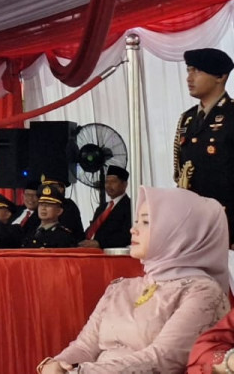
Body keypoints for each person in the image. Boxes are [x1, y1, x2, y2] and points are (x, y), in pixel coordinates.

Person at [40, 187, 229, 374]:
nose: (133, 230)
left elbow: (162, 359)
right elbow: (85, 346)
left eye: (146, 222)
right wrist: (56, 364)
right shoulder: (121, 287)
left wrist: (79, 372)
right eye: (137, 221)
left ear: (179, 232)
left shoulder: (203, 292)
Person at [174, 48, 234, 245]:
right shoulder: (187, 119)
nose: (189, 78)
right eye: (188, 70)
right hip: (194, 225)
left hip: (226, 223)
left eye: (197, 71)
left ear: (220, 76)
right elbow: (180, 175)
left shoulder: (232, 114)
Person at [81, 165, 133, 249]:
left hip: (110, 255)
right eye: (106, 182)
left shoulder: (130, 206)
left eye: (113, 182)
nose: (108, 186)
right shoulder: (101, 208)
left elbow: (126, 235)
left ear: (124, 184)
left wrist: (99, 243)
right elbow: (93, 229)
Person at [22, 182, 78, 249]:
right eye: (41, 204)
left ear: (59, 211)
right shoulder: (32, 232)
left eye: (48, 205)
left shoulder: (63, 236)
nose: (43, 208)